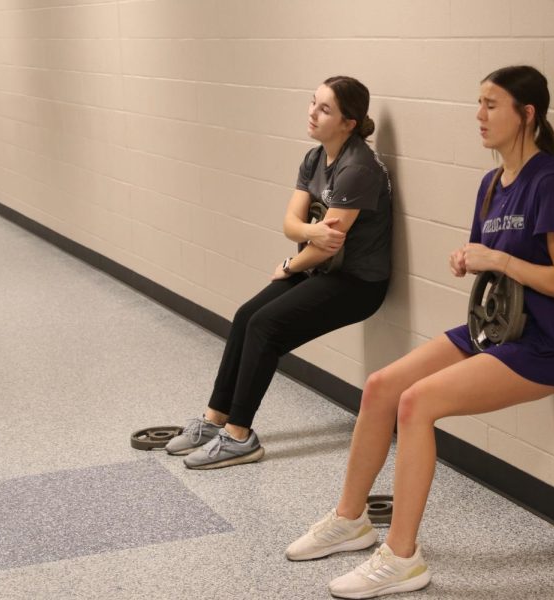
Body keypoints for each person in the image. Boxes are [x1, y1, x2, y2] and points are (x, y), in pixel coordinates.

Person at [286, 65, 554, 598]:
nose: (479, 116)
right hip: (493, 330)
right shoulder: (491, 184)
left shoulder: (553, 183)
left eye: (491, 105)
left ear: (528, 115)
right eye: (479, 103)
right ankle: (350, 520)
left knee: (417, 403)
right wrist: (471, 259)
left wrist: (495, 256)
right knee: (382, 386)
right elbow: (500, 262)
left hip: (543, 344)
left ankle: (402, 558)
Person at [164, 75, 392, 470]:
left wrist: (290, 263)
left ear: (349, 122)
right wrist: (306, 236)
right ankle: (215, 418)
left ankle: (239, 437)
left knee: (265, 326)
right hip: (320, 268)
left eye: (325, 109)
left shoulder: (358, 169)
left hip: (357, 282)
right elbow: (291, 223)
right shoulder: (314, 158)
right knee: (245, 316)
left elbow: (327, 245)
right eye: (312, 103)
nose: (313, 113)